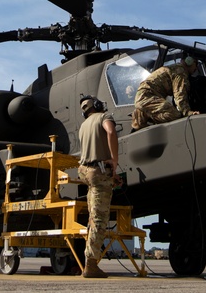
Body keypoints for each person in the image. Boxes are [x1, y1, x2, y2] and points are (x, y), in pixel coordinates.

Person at [77, 95, 120, 278]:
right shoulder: (104, 117)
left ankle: (90, 259)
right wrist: (114, 161)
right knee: (100, 220)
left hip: (85, 171)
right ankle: (91, 263)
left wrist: (113, 175)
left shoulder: (84, 126)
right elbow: (111, 132)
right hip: (98, 172)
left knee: (93, 217)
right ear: (97, 105)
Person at [130, 55, 201, 131]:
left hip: (144, 96)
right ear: (189, 61)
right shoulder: (180, 72)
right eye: (196, 64)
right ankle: (145, 113)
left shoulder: (176, 68)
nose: (196, 68)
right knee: (175, 115)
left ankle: (142, 113)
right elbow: (179, 95)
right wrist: (187, 113)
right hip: (148, 96)